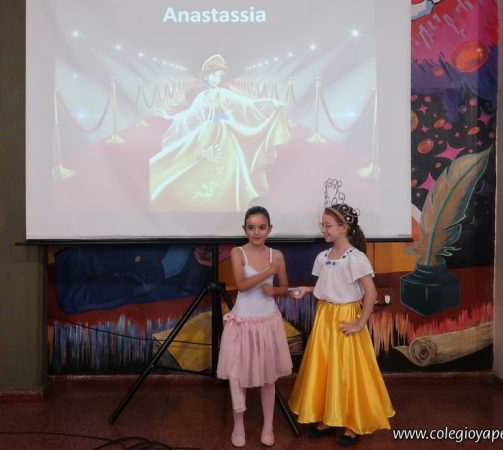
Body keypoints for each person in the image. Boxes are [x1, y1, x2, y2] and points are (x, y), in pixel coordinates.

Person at [288, 202, 394, 447]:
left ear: (343, 228)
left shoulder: (356, 258)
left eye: (327, 225)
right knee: (326, 367)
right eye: (323, 225)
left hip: (345, 318)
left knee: (347, 369)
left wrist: (359, 323)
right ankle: (329, 417)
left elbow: (371, 293)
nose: (323, 229)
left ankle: (352, 423)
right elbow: (329, 286)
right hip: (325, 317)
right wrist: (307, 289)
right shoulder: (323, 257)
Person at [149, 55, 292, 212]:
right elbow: (189, 115)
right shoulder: (201, 97)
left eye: (219, 75)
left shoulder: (223, 94)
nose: (216, 79)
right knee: (197, 162)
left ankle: (229, 198)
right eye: (213, 75)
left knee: (230, 164)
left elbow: (246, 103)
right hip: (204, 135)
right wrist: (170, 117)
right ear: (205, 76)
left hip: (224, 134)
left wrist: (269, 101)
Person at [216, 206, 293, 448]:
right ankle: (238, 425)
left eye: (261, 227)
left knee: (268, 378)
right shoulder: (237, 252)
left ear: (269, 229)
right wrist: (267, 273)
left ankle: (268, 426)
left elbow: (284, 287)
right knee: (237, 376)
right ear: (245, 229)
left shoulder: (276, 256)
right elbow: (241, 285)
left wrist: (276, 289)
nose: (256, 232)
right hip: (243, 322)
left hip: (267, 322)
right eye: (251, 228)